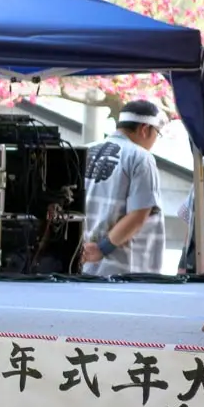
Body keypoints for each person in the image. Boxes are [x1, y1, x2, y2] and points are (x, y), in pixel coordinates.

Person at [80, 99, 166, 276]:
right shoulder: (141, 158)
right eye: (157, 133)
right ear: (144, 129)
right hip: (124, 270)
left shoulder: (84, 151)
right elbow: (138, 215)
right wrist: (102, 248)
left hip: (82, 265)